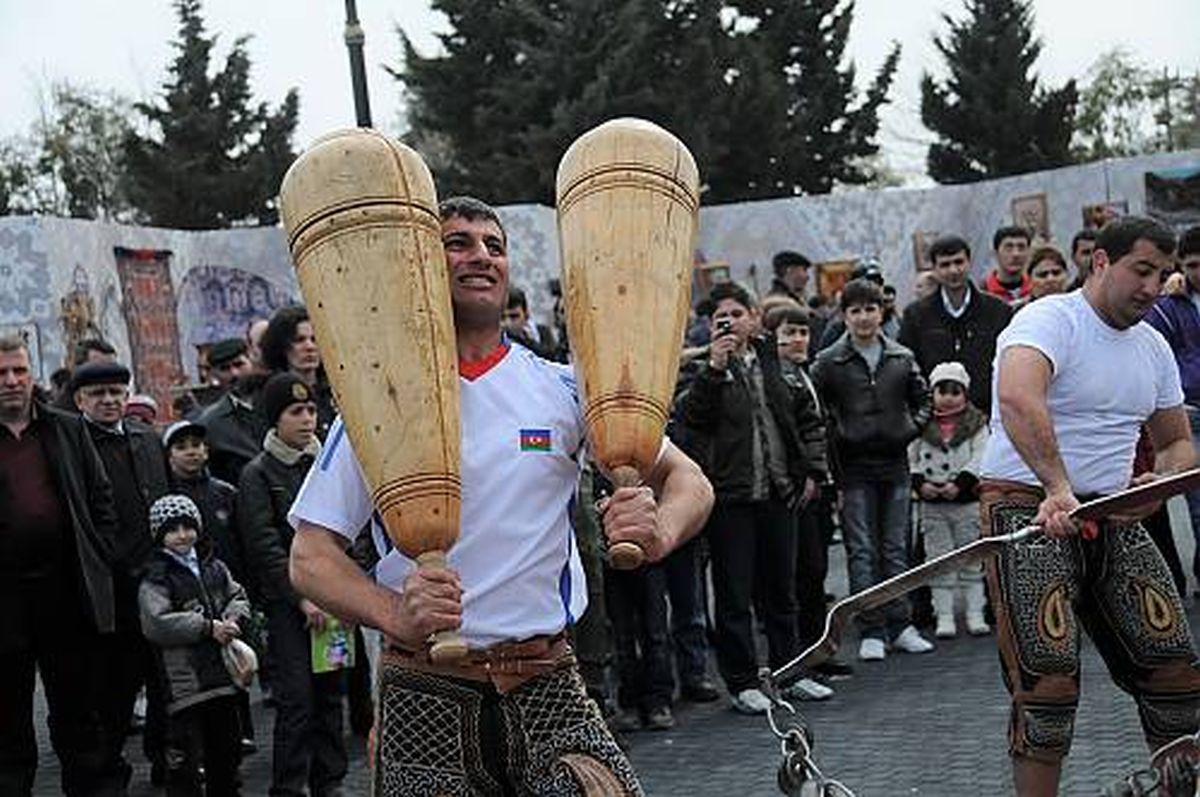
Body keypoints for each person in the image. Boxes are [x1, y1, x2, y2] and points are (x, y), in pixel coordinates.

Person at [288, 196, 714, 795]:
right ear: (421, 265)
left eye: (495, 245)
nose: (481, 256)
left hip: (546, 676)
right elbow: (310, 556)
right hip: (426, 686)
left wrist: (659, 530)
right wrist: (394, 615)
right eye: (457, 242)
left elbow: (690, 482)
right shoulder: (376, 402)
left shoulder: (563, 388)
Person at [978, 216, 1200, 796]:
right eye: (1142, 270)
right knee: (1046, 687)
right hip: (1027, 510)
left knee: (1175, 671)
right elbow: (1017, 396)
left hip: (1115, 510)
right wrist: (1056, 486)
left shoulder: (1153, 345)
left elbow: (1178, 441)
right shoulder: (1049, 318)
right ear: (1101, 261)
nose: (1154, 287)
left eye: (1163, 274)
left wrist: (1157, 481)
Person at [677, 282, 831, 712]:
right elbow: (691, 419)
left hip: (780, 493)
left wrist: (811, 471)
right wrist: (714, 368)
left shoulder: (772, 359)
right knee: (734, 596)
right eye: (718, 318)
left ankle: (790, 672)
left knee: (783, 591)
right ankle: (743, 681)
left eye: (736, 314)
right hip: (731, 498)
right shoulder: (702, 366)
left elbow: (804, 417)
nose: (728, 323)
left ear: (754, 317)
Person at [0, 336, 125, 795]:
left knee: (78, 713)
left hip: (66, 591)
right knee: (8, 722)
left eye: (18, 370)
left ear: (31, 372)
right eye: (1, 374)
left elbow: (101, 498)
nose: (11, 382)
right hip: (6, 599)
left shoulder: (66, 430)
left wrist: (101, 556)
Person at [812, 278, 933, 662]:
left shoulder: (902, 356)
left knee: (896, 549)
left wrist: (908, 429)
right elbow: (815, 408)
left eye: (870, 309)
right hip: (853, 469)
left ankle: (902, 624)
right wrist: (839, 433)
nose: (864, 317)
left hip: (895, 464)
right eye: (855, 310)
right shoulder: (829, 361)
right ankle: (872, 628)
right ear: (844, 315)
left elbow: (924, 399)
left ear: (882, 312)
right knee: (862, 551)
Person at [238, 372, 346, 797]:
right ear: (274, 419)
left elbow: (346, 533)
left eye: (310, 410)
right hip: (289, 609)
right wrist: (302, 597)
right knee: (296, 702)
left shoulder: (327, 465)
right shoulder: (258, 474)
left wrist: (342, 595)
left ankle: (330, 781)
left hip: (334, 606)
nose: (306, 419)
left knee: (330, 698)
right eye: (294, 411)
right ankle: (288, 786)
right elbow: (265, 548)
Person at [73, 361, 172, 785]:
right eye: (99, 394)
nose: (111, 401)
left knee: (167, 681)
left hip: (159, 578)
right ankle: (109, 770)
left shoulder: (146, 438)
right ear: (80, 401)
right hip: (112, 587)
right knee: (115, 688)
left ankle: (168, 759)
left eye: (117, 391)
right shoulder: (76, 445)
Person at [139, 494, 250, 797]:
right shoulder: (156, 576)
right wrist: (206, 627)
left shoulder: (214, 566)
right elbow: (156, 622)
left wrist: (234, 619)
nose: (182, 535)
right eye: (172, 529)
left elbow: (237, 596)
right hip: (185, 686)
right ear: (159, 535)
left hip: (223, 679)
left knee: (227, 754)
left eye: (188, 527)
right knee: (184, 763)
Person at [907, 361, 989, 638]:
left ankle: (975, 612)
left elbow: (981, 455)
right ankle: (943, 615)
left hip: (965, 502)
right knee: (938, 560)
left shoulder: (977, 424)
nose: (949, 397)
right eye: (942, 391)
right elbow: (911, 457)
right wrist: (920, 483)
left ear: (965, 394)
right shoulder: (921, 424)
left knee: (972, 559)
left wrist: (962, 482)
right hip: (932, 505)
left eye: (955, 391)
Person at [898, 234, 1013, 415]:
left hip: (987, 414)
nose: (953, 270)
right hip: (935, 418)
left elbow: (1009, 365)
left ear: (969, 263)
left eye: (958, 262)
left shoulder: (998, 311)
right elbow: (908, 368)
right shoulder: (916, 315)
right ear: (934, 269)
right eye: (945, 265)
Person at [1145, 224, 1200, 589]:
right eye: (1194, 264)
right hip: (1191, 413)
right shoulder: (1167, 308)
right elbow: (1153, 357)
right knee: (1198, 506)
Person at [259, 306, 335, 440]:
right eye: (299, 340)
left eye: (314, 339)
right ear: (281, 346)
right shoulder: (269, 394)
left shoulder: (336, 392)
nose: (309, 347)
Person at [503, 285, 560, 361]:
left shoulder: (542, 332)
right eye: (502, 318)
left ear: (526, 315)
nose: (508, 323)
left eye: (514, 317)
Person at [982, 226, 1033, 304]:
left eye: (1021, 248)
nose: (1016, 254)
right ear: (995, 253)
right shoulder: (982, 293)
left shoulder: (1035, 289)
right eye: (1009, 248)